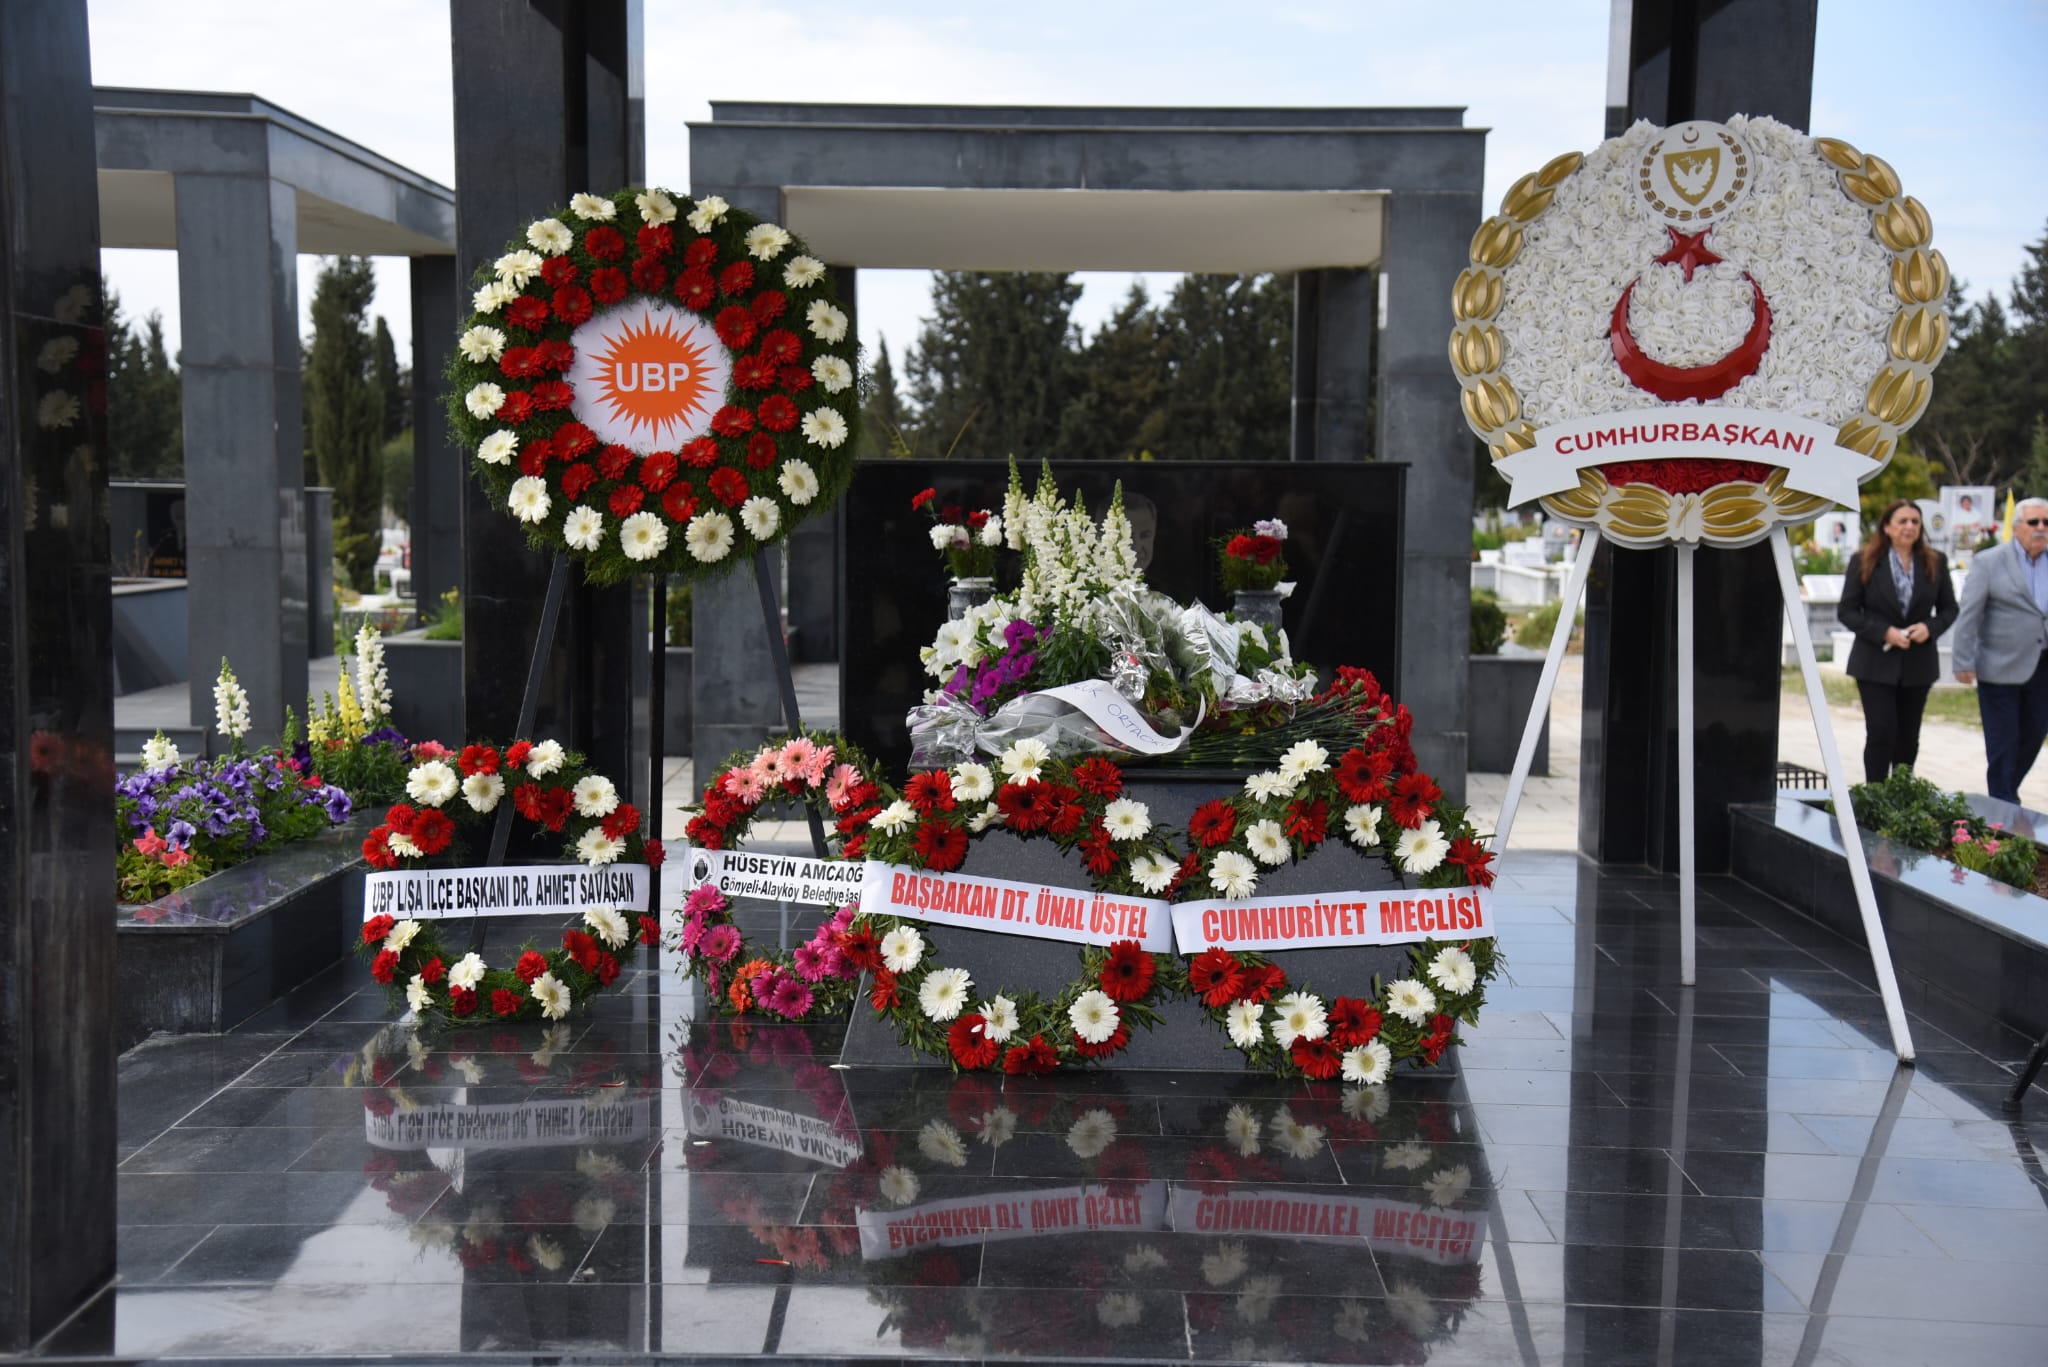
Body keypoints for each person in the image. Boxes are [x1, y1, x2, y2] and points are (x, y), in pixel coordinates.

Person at [1837, 500, 1956, 783]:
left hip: (1918, 663)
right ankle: (1875, 793)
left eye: (1915, 522)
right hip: (1875, 662)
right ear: (1887, 527)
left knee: (1908, 736)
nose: (1909, 527)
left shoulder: (1935, 561)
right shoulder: (1864, 560)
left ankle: (1901, 793)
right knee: (1881, 731)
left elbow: (1950, 609)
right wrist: (1883, 632)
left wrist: (1929, 628)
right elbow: (1847, 611)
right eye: (1902, 521)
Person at [1952, 496, 2048, 802]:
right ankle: (2004, 804)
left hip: (2043, 667)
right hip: (1999, 666)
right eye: (2034, 522)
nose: (2041, 528)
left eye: (2046, 522)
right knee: (2003, 742)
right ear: (2017, 526)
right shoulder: (1989, 562)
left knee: (2034, 735)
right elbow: (1969, 614)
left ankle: (2006, 794)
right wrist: (1962, 660)